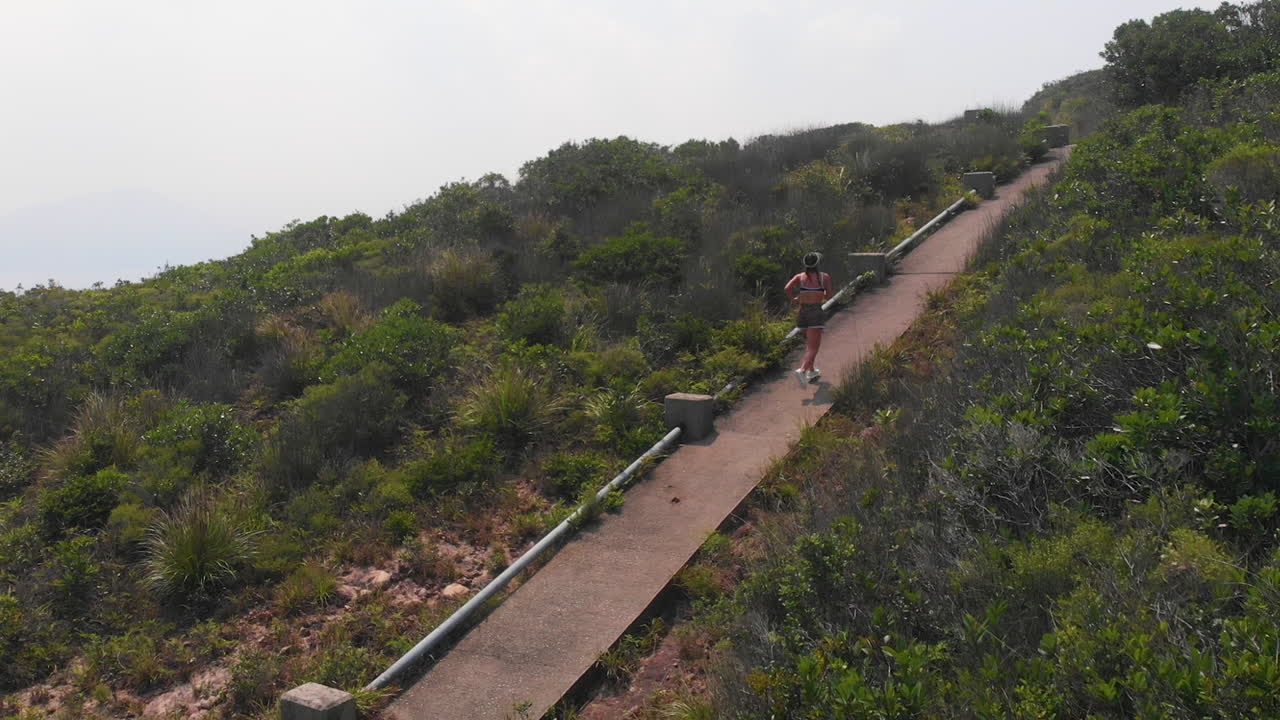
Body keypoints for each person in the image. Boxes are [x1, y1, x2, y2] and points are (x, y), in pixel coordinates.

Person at [784, 252, 833, 384]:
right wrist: (820, 293)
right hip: (815, 313)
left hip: (802, 312)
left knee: (810, 343)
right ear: (818, 264)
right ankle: (802, 370)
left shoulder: (800, 277)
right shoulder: (824, 277)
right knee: (814, 347)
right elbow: (829, 296)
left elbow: (787, 288)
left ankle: (811, 371)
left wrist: (794, 299)